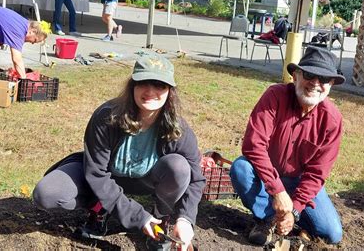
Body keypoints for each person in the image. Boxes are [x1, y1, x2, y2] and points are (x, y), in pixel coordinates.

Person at [33, 50, 206, 250]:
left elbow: (196, 179)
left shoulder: (178, 129)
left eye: (159, 85)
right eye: (143, 83)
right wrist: (137, 216)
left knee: (179, 167)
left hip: (146, 180)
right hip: (103, 177)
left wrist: (185, 219)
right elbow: (97, 173)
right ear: (132, 85)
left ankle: (159, 221)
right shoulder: (107, 117)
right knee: (46, 193)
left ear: (169, 91)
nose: (150, 91)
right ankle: (99, 208)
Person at [230, 46, 346, 246]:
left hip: (299, 182)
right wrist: (278, 192)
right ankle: (267, 220)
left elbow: (317, 173)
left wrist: (295, 208)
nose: (316, 84)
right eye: (309, 75)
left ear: (331, 84)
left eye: (324, 79)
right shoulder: (275, 96)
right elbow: (253, 146)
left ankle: (290, 220)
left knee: (331, 234)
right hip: (265, 175)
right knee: (241, 168)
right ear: (295, 75)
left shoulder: (333, 120)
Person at [0, 4, 48, 79]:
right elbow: (17, 60)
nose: (32, 43)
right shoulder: (19, 31)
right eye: (35, 40)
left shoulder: (23, 23)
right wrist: (24, 78)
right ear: (32, 31)